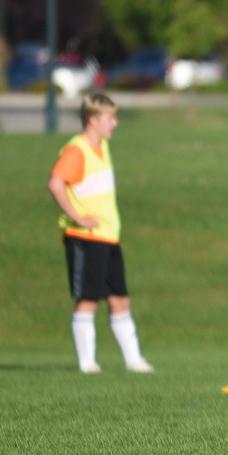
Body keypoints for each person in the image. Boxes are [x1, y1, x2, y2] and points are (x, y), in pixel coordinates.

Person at [47, 93, 154, 374]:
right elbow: (55, 183)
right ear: (93, 119)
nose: (115, 123)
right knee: (88, 298)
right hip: (85, 237)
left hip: (108, 236)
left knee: (120, 298)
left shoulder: (102, 147)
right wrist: (77, 216)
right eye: (110, 118)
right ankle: (87, 364)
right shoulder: (77, 150)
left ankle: (134, 361)